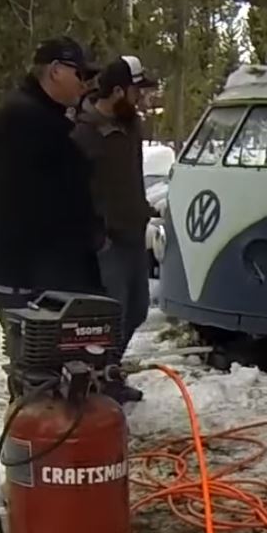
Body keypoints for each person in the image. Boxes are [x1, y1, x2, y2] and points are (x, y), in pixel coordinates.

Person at [0, 37, 106, 382]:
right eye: (80, 74)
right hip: (26, 273)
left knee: (45, 363)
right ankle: (37, 431)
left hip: (37, 269)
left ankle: (46, 426)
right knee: (37, 365)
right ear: (55, 71)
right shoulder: (25, 121)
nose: (85, 84)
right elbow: (36, 204)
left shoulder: (41, 117)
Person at [72, 55, 159, 403]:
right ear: (119, 90)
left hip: (133, 235)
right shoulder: (84, 131)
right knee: (111, 315)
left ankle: (110, 372)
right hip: (106, 242)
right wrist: (97, 234)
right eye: (137, 92)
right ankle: (96, 382)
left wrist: (143, 209)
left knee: (137, 309)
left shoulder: (131, 126)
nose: (141, 99)